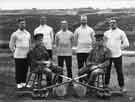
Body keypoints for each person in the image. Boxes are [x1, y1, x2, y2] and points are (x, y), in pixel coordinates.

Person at [104, 19, 129, 93]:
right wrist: (105, 50)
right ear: (109, 24)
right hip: (108, 56)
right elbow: (104, 43)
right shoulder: (106, 33)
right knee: (107, 71)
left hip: (117, 55)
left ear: (116, 24)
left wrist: (119, 48)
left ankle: (122, 87)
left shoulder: (121, 32)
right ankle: (106, 85)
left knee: (119, 71)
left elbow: (127, 44)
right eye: (111, 23)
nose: (112, 24)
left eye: (114, 23)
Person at [9, 17, 31, 89]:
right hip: (18, 55)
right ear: (18, 24)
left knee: (25, 69)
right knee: (19, 70)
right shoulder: (15, 34)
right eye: (21, 23)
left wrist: (29, 51)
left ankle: (24, 82)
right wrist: (14, 51)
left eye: (24, 23)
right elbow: (11, 45)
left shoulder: (28, 33)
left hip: (26, 55)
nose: (23, 25)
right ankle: (18, 83)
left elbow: (30, 44)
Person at [74, 15, 95, 82]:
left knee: (88, 67)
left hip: (88, 51)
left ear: (87, 20)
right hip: (80, 51)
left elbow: (93, 40)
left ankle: (87, 81)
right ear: (80, 21)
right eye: (82, 20)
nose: (83, 21)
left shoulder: (90, 29)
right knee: (80, 67)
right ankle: (80, 81)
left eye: (85, 20)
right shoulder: (77, 30)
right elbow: (75, 40)